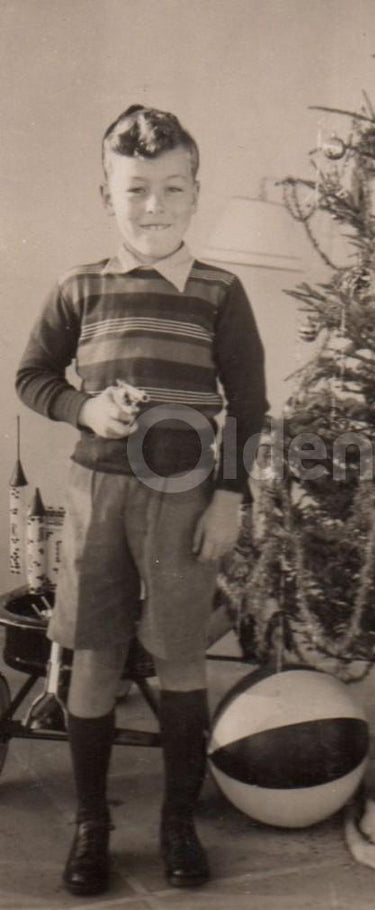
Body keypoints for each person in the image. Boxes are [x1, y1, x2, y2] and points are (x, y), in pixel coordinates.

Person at [16, 105, 268, 896]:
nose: (153, 206)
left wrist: (231, 499)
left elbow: (251, 411)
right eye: (135, 191)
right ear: (107, 195)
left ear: (195, 194)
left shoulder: (222, 293)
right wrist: (84, 409)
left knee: (182, 658)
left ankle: (177, 824)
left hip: (188, 500)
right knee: (91, 660)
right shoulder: (80, 286)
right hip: (98, 498)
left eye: (170, 189)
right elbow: (33, 377)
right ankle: (93, 826)